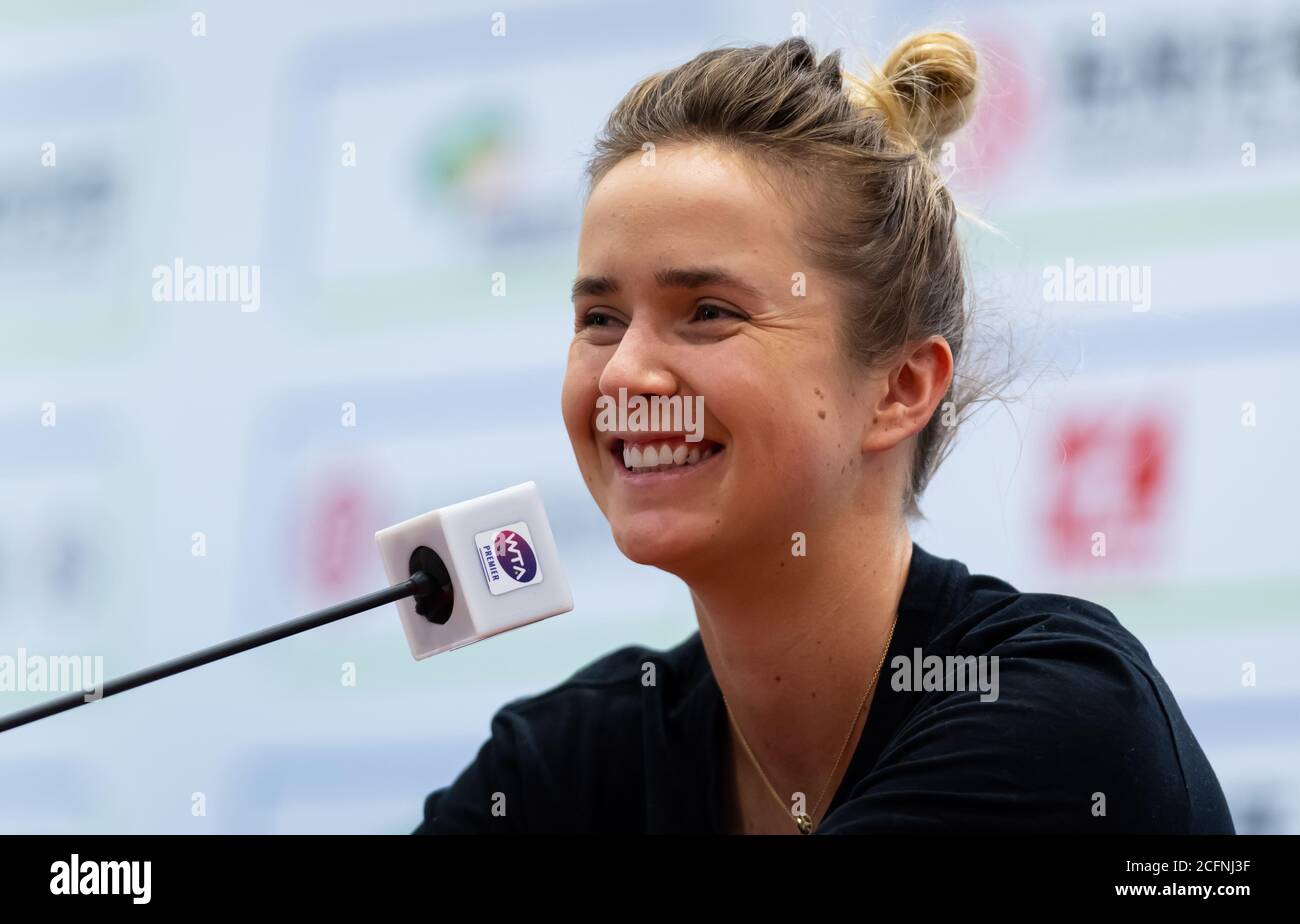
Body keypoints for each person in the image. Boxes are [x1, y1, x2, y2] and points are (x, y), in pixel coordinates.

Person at [412, 32, 1235, 834]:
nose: (624, 375)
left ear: (899, 390)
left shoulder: (1058, 714)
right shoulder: (564, 759)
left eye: (708, 312)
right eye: (600, 318)